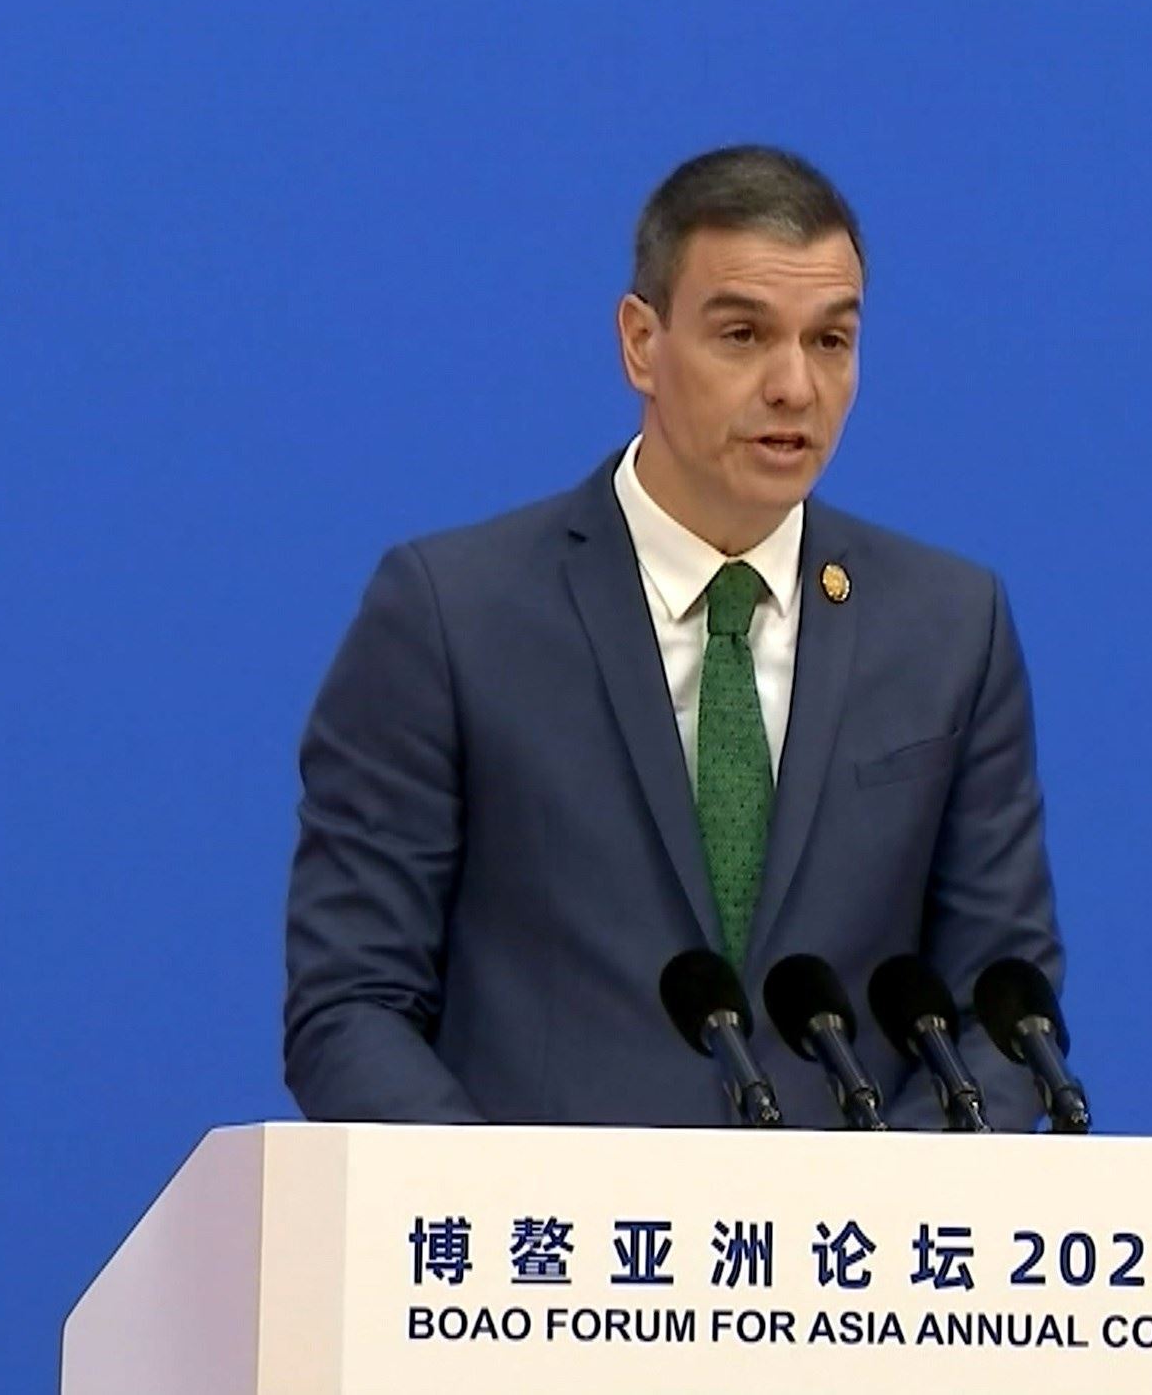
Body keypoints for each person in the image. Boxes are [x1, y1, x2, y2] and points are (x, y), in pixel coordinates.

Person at [282, 146, 1067, 1128]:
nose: (794, 386)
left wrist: (882, 1210)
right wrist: (497, 1207)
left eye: (830, 340)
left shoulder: (948, 626)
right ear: (640, 344)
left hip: (852, 1225)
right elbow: (351, 1003)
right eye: (742, 334)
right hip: (539, 1221)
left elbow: (1001, 1005)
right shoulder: (454, 615)